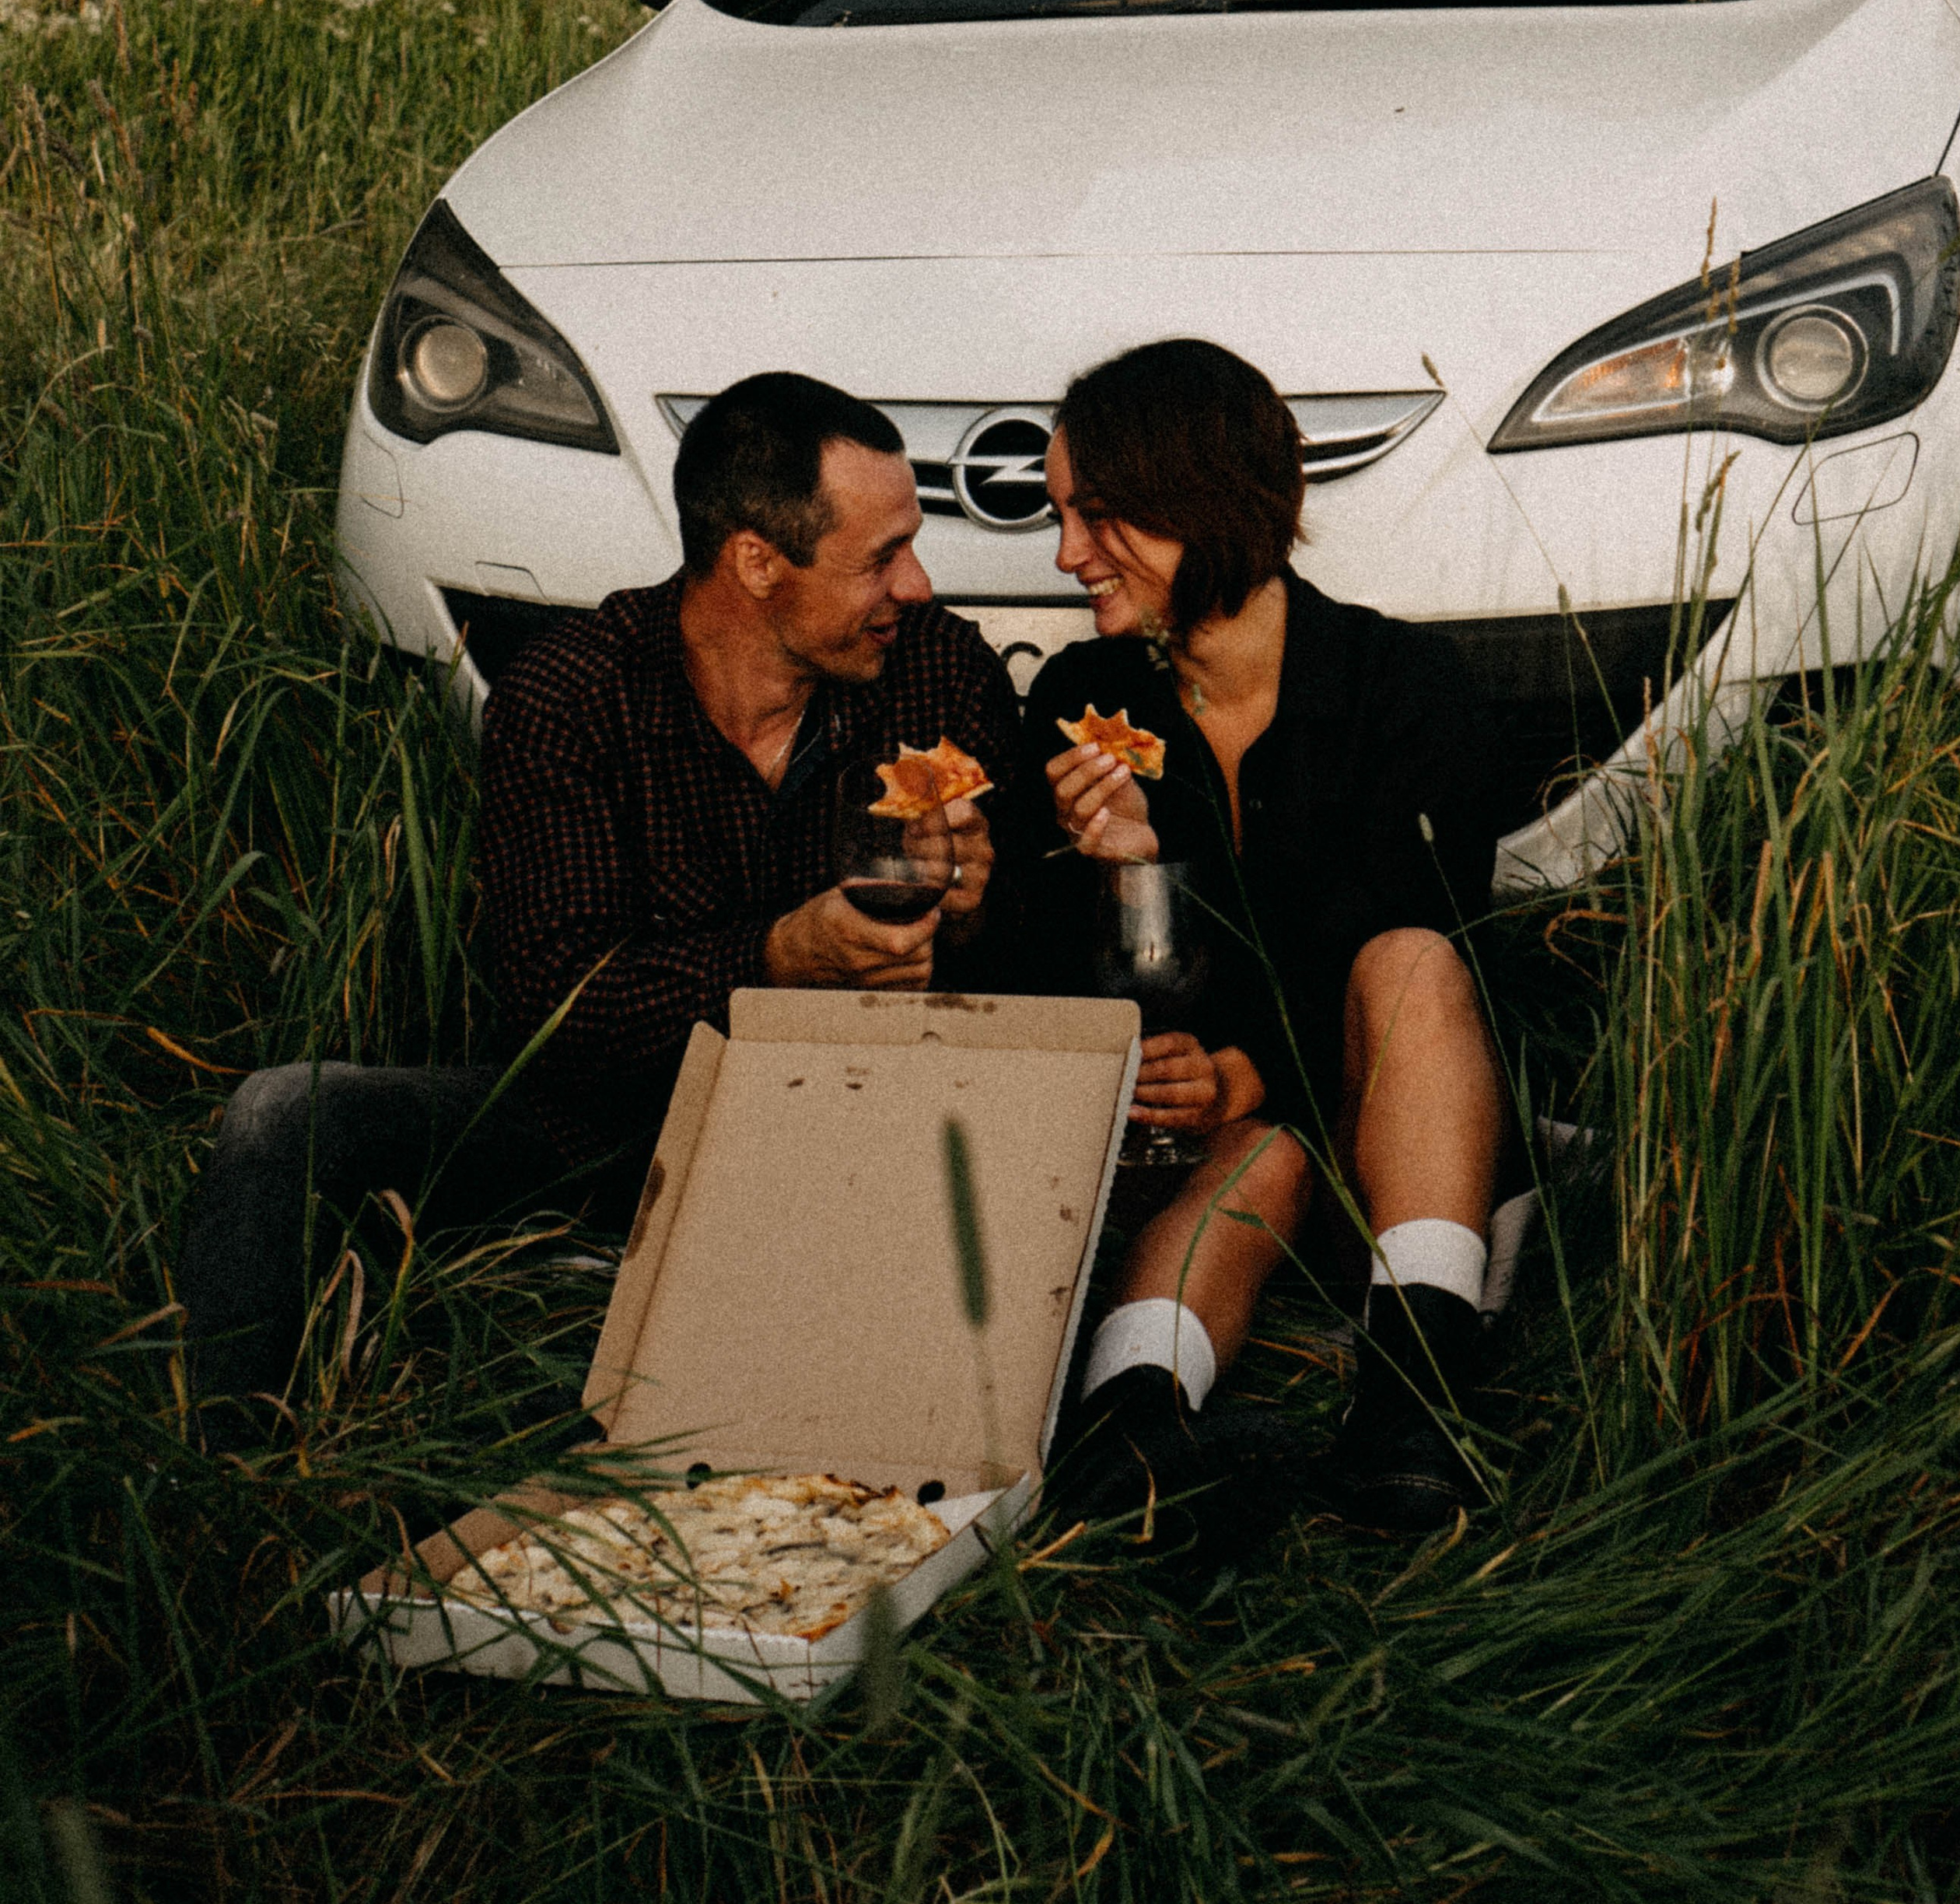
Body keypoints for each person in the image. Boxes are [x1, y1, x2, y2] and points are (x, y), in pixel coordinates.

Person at [179, 372, 1018, 1416]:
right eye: (883, 558)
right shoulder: (574, 695)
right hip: (601, 1125)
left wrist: (975, 906)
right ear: (756, 561)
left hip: (846, 1124)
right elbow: (557, 1002)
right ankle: (231, 1477)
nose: (919, 587)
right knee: (282, 1115)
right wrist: (776, 957)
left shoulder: (936, 672)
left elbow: (1012, 969)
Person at [1023, 338, 1514, 1536]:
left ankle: (1415, 1411)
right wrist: (1126, 881)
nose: (1065, 553)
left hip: (1398, 1134)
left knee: (1408, 959)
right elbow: (1056, 980)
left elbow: (1426, 949)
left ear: (1205, 502)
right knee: (1259, 1151)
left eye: (1096, 516)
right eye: (1062, 517)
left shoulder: (1404, 685)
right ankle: (1128, 1430)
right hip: (1225, 1161)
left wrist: (1250, 1061)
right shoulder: (1085, 704)